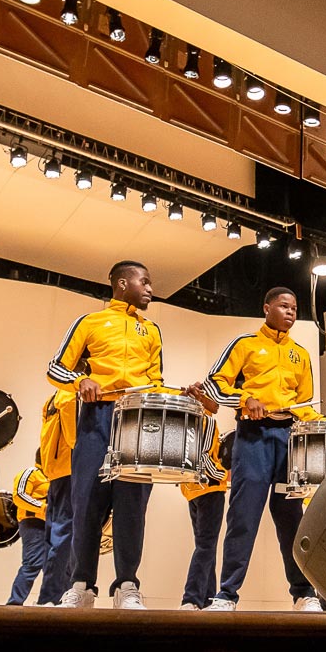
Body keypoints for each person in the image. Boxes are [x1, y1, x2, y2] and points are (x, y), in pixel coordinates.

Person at [47, 260, 164, 610]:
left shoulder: (153, 330)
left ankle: (127, 585)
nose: (150, 288)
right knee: (86, 502)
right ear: (122, 282)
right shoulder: (90, 322)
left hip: (138, 421)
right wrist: (79, 380)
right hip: (97, 417)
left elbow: (156, 378)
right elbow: (55, 367)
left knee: (132, 506)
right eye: (144, 281)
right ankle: (81, 584)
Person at [203, 287, 323, 613]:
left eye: (295, 307)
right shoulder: (245, 344)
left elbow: (305, 404)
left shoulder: (301, 353)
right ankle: (226, 595)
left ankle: (303, 593)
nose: (290, 312)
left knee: (291, 521)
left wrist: (324, 418)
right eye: (284, 306)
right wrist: (246, 399)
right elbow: (215, 383)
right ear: (266, 307)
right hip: (253, 437)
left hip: (289, 439)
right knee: (243, 518)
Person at [179, 394, 229, 610]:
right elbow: (205, 457)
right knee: (206, 546)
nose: (216, 404)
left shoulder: (185, 421)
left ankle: (207, 598)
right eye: (212, 398)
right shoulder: (207, 420)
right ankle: (191, 598)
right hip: (210, 488)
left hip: (191, 489)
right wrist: (224, 475)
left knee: (204, 545)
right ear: (201, 399)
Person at [36, 390, 76, 600]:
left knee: (54, 536)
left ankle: (51, 594)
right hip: (69, 469)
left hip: (54, 471)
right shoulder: (70, 394)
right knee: (65, 535)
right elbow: (74, 437)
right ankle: (54, 596)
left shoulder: (53, 396)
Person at [5, 464, 58, 606]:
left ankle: (48, 601)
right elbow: (19, 496)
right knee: (33, 563)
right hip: (33, 522)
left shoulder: (54, 477)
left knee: (54, 564)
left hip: (52, 524)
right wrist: (43, 508)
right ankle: (14, 603)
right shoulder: (31, 473)